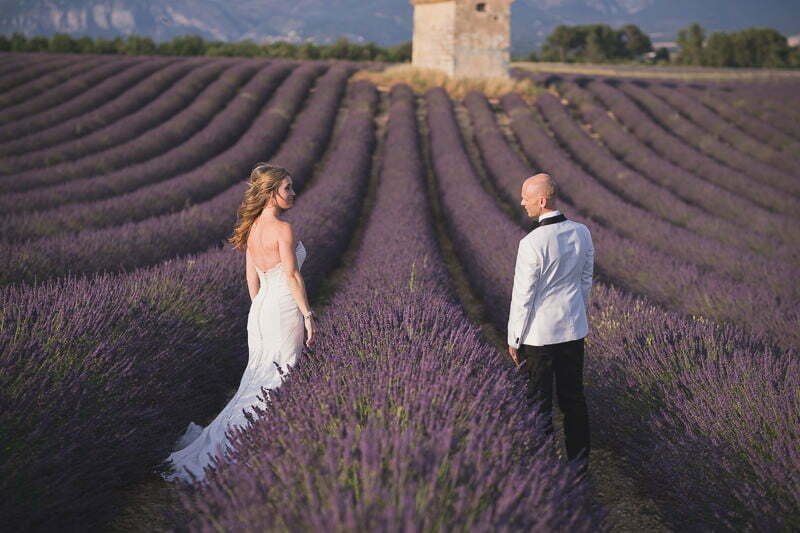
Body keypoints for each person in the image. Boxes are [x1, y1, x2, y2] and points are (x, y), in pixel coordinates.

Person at [161, 163, 315, 482]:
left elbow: (251, 279)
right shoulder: (282, 229)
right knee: (280, 376)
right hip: (283, 308)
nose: (292, 192)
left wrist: (259, 309)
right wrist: (307, 314)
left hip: (260, 310)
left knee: (258, 376)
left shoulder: (253, 227)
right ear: (271, 194)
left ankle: (242, 442)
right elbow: (291, 275)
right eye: (287, 187)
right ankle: (248, 448)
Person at [507, 173, 594, 478]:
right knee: (573, 400)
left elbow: (523, 296)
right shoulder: (582, 232)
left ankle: (545, 470)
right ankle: (580, 466)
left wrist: (514, 339)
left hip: (539, 339)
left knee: (539, 404)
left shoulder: (531, 243)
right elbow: (585, 280)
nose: (522, 202)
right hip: (573, 332)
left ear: (541, 200)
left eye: (526, 197)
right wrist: (575, 313)